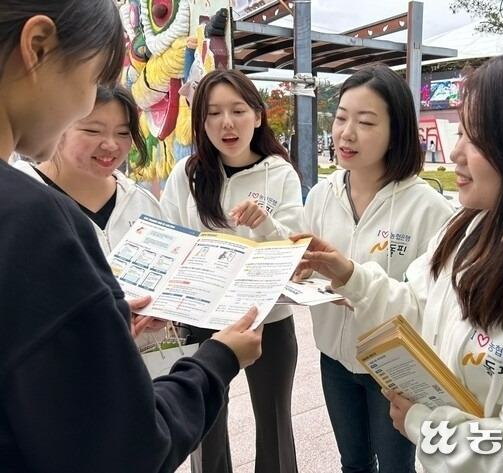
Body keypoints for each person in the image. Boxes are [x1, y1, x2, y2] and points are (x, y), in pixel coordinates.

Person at [291, 44, 503, 472]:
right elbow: (418, 308)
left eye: (475, 138)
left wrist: (426, 424)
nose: (454, 153)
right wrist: (350, 275)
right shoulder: (468, 234)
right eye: (461, 133)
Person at [0, 2, 263, 472]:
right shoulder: (33, 219)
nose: (89, 103)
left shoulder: (131, 201)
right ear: (37, 47)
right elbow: (127, 450)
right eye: (90, 79)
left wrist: (103, 321)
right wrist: (217, 359)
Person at [300, 65, 454, 473]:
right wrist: (299, 272)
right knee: (352, 463)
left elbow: (435, 305)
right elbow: (310, 265)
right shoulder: (321, 195)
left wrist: (357, 285)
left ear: (396, 131)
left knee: (394, 467)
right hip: (334, 359)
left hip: (394, 370)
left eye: (365, 122)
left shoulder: (428, 209)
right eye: (341, 117)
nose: (346, 133)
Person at [161, 68, 303, 473]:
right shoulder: (186, 176)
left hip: (268, 321)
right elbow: (171, 244)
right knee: (205, 427)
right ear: (201, 121)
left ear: (258, 116)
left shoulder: (280, 174)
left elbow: (295, 254)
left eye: (238, 110)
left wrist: (266, 224)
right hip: (203, 320)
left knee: (275, 424)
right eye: (213, 113)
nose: (226, 123)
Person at [14, 83, 168, 343]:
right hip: (60, 373)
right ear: (58, 126)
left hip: (146, 372)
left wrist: (162, 309)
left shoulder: (142, 202)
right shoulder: (20, 201)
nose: (111, 145)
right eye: (92, 130)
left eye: (122, 132)